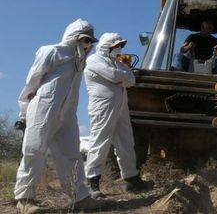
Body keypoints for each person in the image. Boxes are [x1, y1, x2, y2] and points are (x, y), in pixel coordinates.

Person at [14, 19, 104, 214]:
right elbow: (32, 82)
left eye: (90, 41)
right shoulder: (51, 51)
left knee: (72, 154)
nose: (87, 45)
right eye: (84, 39)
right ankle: (25, 199)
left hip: (67, 113)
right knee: (34, 151)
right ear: (73, 37)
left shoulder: (80, 61)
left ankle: (80, 198)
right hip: (43, 108)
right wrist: (24, 113)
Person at [84, 33, 154, 198]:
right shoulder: (94, 60)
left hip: (121, 106)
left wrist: (124, 70)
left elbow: (131, 81)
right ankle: (92, 183)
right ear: (107, 46)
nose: (119, 49)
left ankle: (131, 179)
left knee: (126, 142)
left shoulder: (117, 62)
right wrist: (124, 71)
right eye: (116, 46)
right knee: (100, 142)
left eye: (120, 46)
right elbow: (115, 76)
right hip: (102, 106)